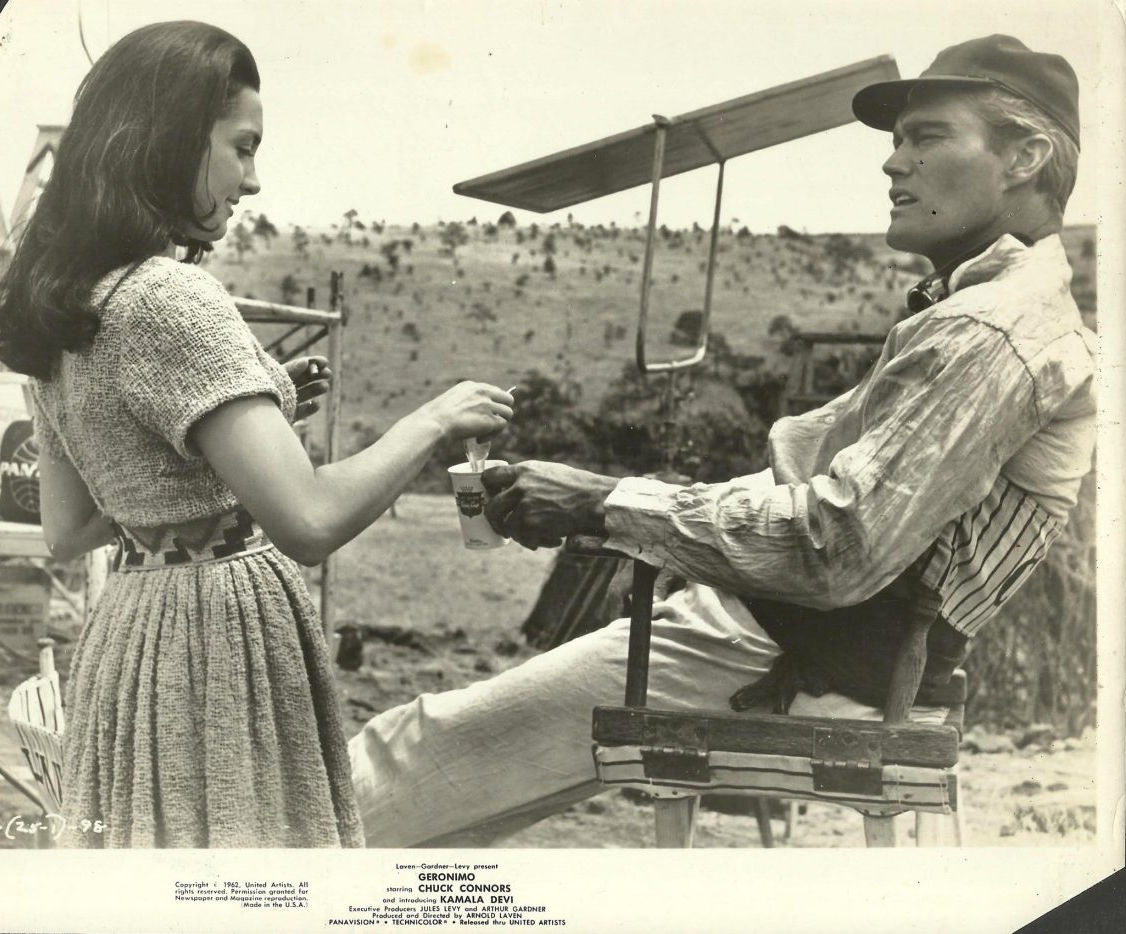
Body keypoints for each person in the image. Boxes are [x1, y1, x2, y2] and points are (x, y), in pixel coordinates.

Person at [347, 34, 1096, 846]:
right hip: (786, 633)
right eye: (896, 140)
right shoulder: (991, 307)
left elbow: (835, 542)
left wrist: (604, 502)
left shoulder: (993, 328)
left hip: (782, 646)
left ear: (1025, 157)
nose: (892, 162)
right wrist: (608, 499)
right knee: (434, 791)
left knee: (405, 755)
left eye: (928, 137)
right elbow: (814, 488)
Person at [0, 21, 514, 848]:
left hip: (131, 641)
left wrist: (236, 438)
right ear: (169, 140)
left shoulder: (61, 307)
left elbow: (71, 528)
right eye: (242, 147)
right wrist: (434, 420)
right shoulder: (172, 298)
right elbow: (309, 521)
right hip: (216, 642)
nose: (253, 180)